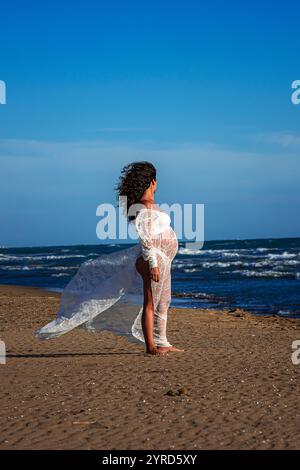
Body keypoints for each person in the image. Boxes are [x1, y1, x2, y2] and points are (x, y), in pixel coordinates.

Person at [36, 161, 184, 355]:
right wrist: (153, 264)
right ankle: (151, 347)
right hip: (152, 259)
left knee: (164, 301)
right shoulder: (143, 207)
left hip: (163, 258)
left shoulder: (149, 204)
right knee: (151, 302)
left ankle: (162, 342)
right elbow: (146, 238)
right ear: (152, 182)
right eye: (156, 181)